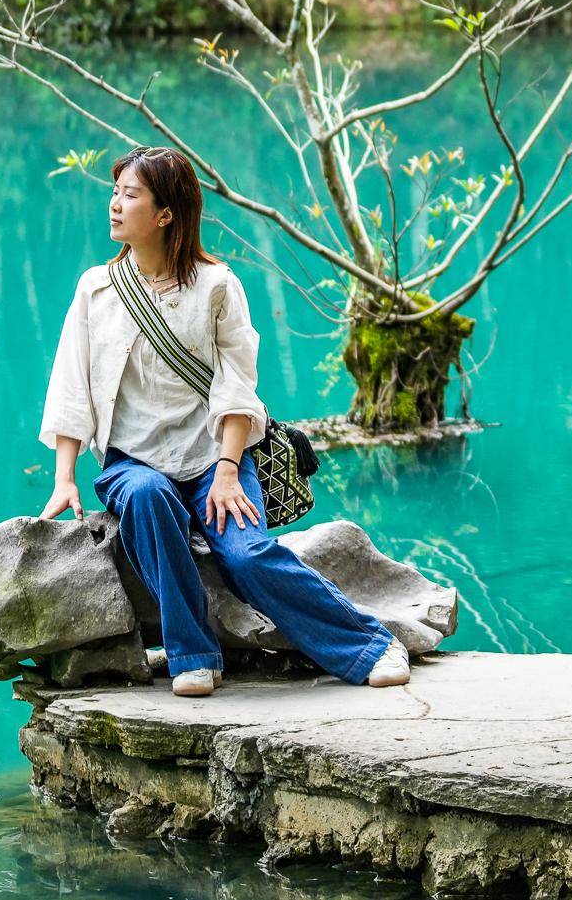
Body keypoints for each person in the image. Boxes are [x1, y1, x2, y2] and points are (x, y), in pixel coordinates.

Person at [37, 147, 409, 698]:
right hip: (132, 462)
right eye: (114, 193)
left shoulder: (216, 286)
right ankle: (194, 654)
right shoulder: (96, 289)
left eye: (129, 195)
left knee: (246, 553)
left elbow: (238, 388)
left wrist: (231, 471)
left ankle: (369, 645)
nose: (114, 205)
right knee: (145, 496)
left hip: (215, 459)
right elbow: (71, 386)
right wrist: (64, 476)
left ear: (165, 214)